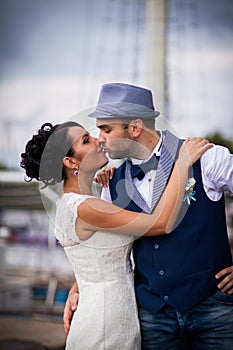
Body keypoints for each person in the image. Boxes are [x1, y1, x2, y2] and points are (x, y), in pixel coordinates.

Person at [65, 83, 233, 349]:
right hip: (153, 316)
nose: (100, 138)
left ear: (134, 128)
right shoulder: (111, 184)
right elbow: (107, 250)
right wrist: (78, 288)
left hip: (215, 308)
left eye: (106, 129)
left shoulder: (206, 158)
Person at [20, 120, 210, 350]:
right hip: (106, 322)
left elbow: (90, 257)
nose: (99, 140)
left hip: (111, 313)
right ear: (70, 162)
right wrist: (181, 166)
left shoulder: (74, 203)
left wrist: (76, 287)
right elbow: (160, 223)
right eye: (86, 141)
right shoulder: (86, 208)